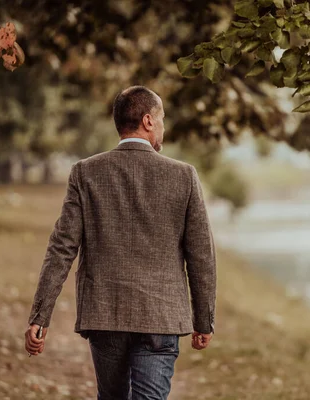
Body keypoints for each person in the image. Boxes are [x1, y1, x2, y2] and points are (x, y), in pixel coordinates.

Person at [24, 86, 217, 400]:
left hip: (105, 314)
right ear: (147, 121)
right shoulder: (183, 176)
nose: (164, 126)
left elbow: (62, 248)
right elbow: (202, 256)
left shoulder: (85, 173)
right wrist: (204, 320)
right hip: (161, 317)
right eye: (162, 118)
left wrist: (39, 316)